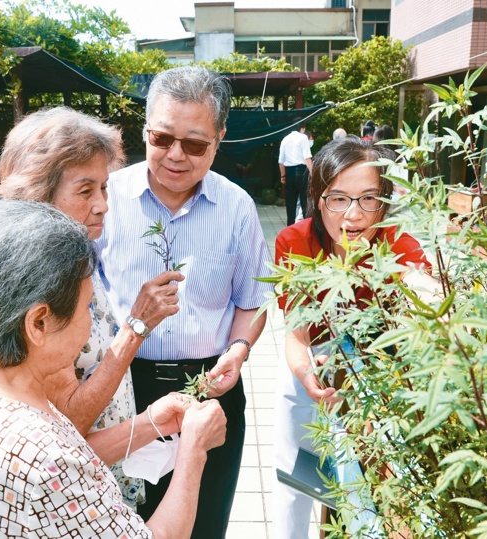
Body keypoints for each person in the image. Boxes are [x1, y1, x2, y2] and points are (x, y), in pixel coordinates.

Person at [0, 199, 227, 538]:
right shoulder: (44, 456)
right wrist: (194, 449)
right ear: (39, 323)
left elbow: (72, 464)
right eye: (87, 306)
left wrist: (149, 423)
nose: (92, 323)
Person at [95, 65, 272, 539]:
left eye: (194, 144)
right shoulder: (105, 199)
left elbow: (252, 301)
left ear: (219, 139)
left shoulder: (236, 207)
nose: (175, 155)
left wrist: (237, 352)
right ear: (145, 130)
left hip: (210, 391)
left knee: (205, 524)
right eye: (161, 138)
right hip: (125, 390)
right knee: (123, 524)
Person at [0, 106, 185, 509]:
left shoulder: (74, 256)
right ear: (38, 192)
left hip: (102, 473)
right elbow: (72, 418)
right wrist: (138, 324)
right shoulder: (38, 282)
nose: (102, 204)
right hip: (73, 494)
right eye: (85, 191)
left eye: (104, 188)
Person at [272, 137, 432, 538]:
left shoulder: (396, 244)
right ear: (318, 197)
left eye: (368, 199)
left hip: (379, 380)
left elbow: (425, 291)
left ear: (386, 200)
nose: (353, 214)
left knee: (367, 492)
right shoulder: (295, 242)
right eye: (338, 199)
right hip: (315, 370)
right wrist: (305, 373)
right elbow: (297, 333)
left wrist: (434, 299)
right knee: (296, 484)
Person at [279, 123, 313, 226]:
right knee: (305, 202)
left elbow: (281, 161)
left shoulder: (285, 139)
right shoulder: (303, 138)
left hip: (289, 172)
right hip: (302, 171)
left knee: (290, 204)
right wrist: (313, 174)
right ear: (302, 128)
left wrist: (283, 175)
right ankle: (307, 228)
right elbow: (307, 158)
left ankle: (290, 228)